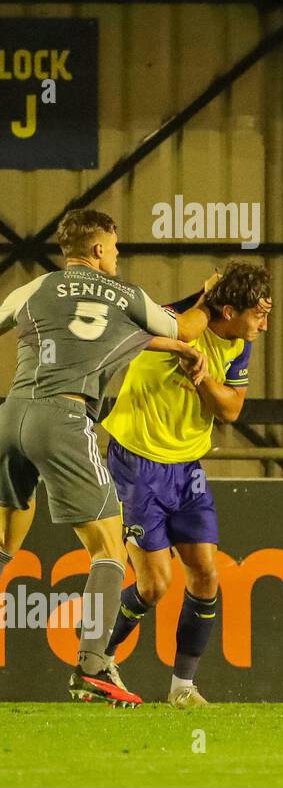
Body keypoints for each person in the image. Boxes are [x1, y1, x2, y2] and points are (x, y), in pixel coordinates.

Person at [0, 209, 211, 707]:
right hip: (65, 419)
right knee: (109, 552)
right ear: (98, 250)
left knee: (5, 543)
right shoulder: (127, 297)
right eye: (114, 248)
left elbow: (90, 333)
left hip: (10, 417)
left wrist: (161, 343)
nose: (117, 256)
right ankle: (93, 665)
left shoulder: (33, 289)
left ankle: (93, 665)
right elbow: (185, 328)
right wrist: (207, 298)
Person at [100, 262, 273, 709]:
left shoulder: (238, 344)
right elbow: (164, 323)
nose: (264, 325)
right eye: (258, 314)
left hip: (187, 468)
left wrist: (203, 380)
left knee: (206, 574)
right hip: (138, 463)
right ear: (229, 309)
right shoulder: (173, 322)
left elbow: (232, 409)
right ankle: (96, 661)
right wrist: (202, 293)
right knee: (154, 585)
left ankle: (182, 687)